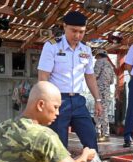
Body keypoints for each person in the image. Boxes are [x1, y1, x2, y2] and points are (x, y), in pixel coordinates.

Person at [38, 11, 102, 151]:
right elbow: (43, 76)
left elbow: (89, 76)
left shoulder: (86, 49)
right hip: (58, 102)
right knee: (59, 145)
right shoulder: (52, 46)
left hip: (79, 102)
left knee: (90, 139)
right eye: (74, 31)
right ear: (64, 26)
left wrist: (98, 100)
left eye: (81, 32)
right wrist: (46, 102)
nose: (77, 35)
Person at [94, 49, 115, 142]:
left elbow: (94, 75)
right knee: (105, 111)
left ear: (98, 56)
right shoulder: (110, 65)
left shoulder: (99, 62)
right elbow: (112, 81)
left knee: (97, 111)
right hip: (107, 90)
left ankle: (98, 133)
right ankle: (106, 134)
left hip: (98, 89)